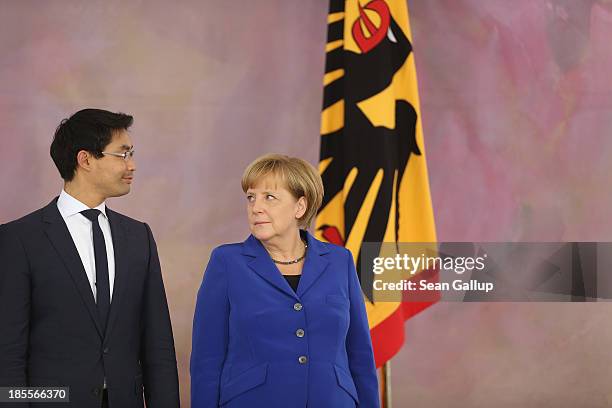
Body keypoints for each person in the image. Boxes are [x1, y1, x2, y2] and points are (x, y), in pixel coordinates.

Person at [0, 109, 180, 408]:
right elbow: (7, 352)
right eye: (123, 154)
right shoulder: (18, 239)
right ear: (85, 159)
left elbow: (158, 345)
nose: (132, 165)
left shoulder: (139, 238)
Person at [190, 154, 379, 407]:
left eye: (269, 197)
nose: (256, 207)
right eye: (251, 197)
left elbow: (360, 356)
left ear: (300, 207)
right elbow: (207, 360)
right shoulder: (226, 262)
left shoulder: (339, 261)